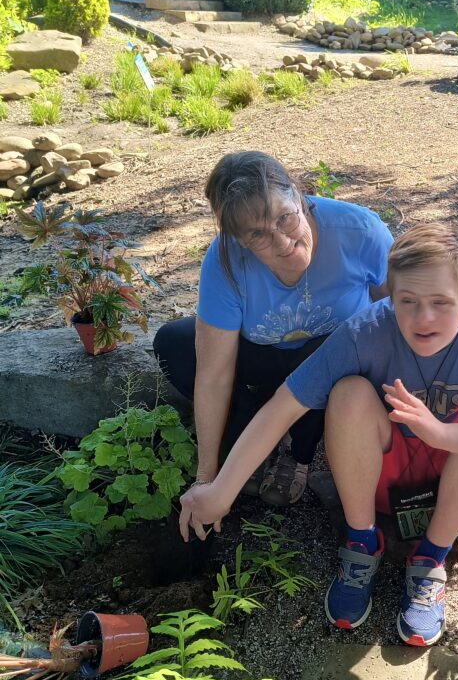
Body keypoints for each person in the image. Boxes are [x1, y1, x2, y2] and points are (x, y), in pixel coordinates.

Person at [179, 223, 458, 646]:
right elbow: (283, 406)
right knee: (348, 394)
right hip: (380, 473)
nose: (423, 318)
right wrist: (220, 490)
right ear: (389, 296)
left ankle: (430, 558)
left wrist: (438, 433)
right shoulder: (366, 331)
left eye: (441, 303)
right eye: (407, 301)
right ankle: (361, 544)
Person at [154, 151, 392, 507]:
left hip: (333, 357)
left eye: (285, 218)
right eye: (258, 234)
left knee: (331, 350)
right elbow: (213, 373)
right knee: (174, 343)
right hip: (264, 353)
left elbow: (397, 310)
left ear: (299, 196)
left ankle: (298, 453)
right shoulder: (225, 262)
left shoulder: (358, 230)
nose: (283, 243)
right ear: (239, 240)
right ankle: (251, 431)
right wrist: (206, 476)